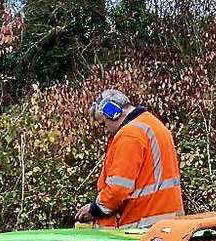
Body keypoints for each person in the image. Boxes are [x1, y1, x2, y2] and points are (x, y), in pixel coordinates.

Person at [75, 89, 184, 228]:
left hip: (142, 223)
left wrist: (94, 209)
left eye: (104, 123)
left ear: (113, 113)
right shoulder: (153, 124)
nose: (105, 129)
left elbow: (119, 188)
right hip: (166, 221)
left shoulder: (129, 135)